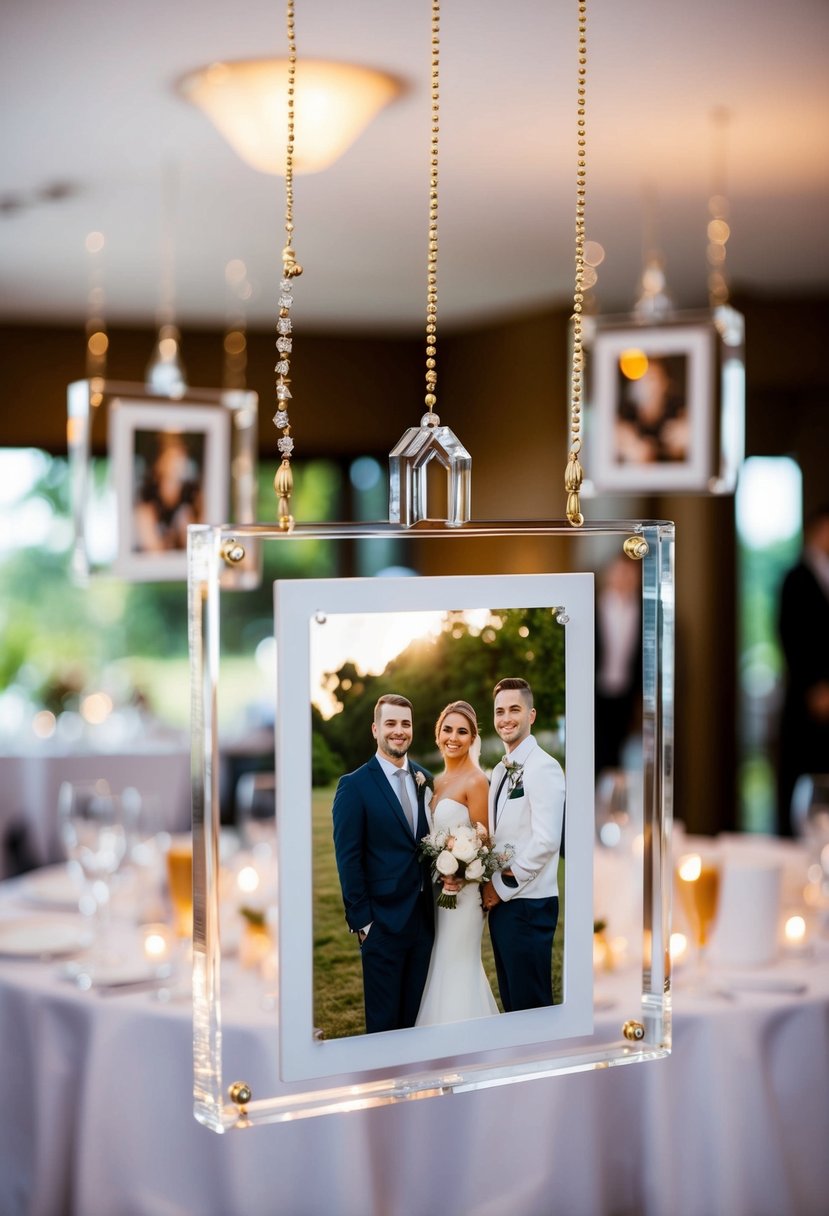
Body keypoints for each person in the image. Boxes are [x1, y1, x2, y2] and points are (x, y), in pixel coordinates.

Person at [332, 694, 434, 1034]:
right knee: (383, 1025)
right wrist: (363, 923)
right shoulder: (354, 786)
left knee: (415, 1021)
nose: (399, 731)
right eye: (391, 723)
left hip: (423, 923)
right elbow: (348, 859)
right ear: (376, 729)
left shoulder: (425, 779)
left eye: (405, 724)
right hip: (382, 926)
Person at [482, 677, 565, 1011]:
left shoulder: (544, 767)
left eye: (514, 709)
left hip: (528, 905)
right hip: (506, 908)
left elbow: (546, 842)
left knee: (531, 1008)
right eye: (499, 711)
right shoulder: (501, 770)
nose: (506, 718)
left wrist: (499, 887)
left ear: (531, 715)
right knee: (513, 1004)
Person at [415, 701, 499, 1027]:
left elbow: (485, 841)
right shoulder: (433, 782)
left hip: (463, 897)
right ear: (438, 735)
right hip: (435, 893)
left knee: (457, 965)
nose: (454, 737)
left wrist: (461, 874)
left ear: (472, 738)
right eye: (447, 729)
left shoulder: (476, 781)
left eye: (462, 731)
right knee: (438, 964)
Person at [777, 504, 829, 836]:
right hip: (806, 695)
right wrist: (815, 688)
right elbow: (791, 636)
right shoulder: (797, 577)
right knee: (802, 771)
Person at [595, 553, 642, 774]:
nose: (624, 578)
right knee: (598, 749)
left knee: (622, 754)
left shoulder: (644, 611)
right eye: (619, 572)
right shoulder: (595, 606)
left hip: (629, 695)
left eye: (630, 573)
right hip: (597, 693)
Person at [133, 431, 202, 553]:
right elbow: (152, 549)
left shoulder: (192, 499)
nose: (178, 464)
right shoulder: (146, 506)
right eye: (172, 458)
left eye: (181, 457)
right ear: (160, 463)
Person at [614, 356, 689, 465]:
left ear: (665, 383)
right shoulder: (625, 412)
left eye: (653, 379)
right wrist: (627, 448)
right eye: (644, 380)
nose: (649, 387)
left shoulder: (678, 409)